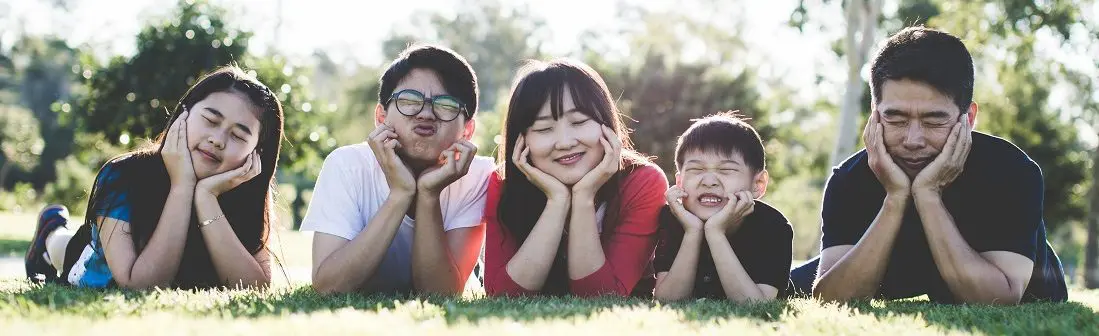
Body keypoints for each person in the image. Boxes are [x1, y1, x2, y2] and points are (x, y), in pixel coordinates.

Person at [790, 26, 1068, 304]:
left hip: (1014, 276)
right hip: (896, 268)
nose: (913, 140)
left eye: (934, 121)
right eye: (896, 119)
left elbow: (1000, 299)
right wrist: (895, 197)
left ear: (968, 119)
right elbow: (831, 299)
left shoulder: (1013, 171)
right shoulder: (848, 179)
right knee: (783, 283)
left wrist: (928, 195)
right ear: (875, 116)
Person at [25, 65, 284, 289]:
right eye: (210, 119)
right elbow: (141, 285)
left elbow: (254, 287)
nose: (217, 140)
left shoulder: (247, 188)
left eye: (238, 136)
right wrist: (182, 186)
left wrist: (206, 198)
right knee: (65, 247)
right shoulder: (123, 174)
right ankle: (50, 231)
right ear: (185, 114)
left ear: (256, 151)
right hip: (93, 260)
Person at [304, 45, 492, 295]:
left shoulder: (477, 176)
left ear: (467, 130)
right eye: (409, 101)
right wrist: (400, 194)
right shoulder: (346, 165)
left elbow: (440, 294)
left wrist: (429, 194)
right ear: (381, 117)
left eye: (446, 105)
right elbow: (328, 286)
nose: (426, 113)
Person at [484, 59, 668, 297]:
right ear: (521, 140)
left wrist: (583, 197)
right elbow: (504, 295)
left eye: (579, 122)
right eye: (543, 129)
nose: (565, 142)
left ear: (606, 124)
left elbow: (600, 296)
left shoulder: (642, 182)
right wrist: (557, 201)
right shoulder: (503, 184)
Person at [652, 113, 792, 302]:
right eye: (696, 170)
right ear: (679, 181)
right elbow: (667, 300)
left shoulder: (773, 225)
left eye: (726, 170)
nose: (709, 181)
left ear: (758, 184)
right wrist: (692, 232)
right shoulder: (674, 217)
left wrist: (715, 232)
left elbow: (755, 305)